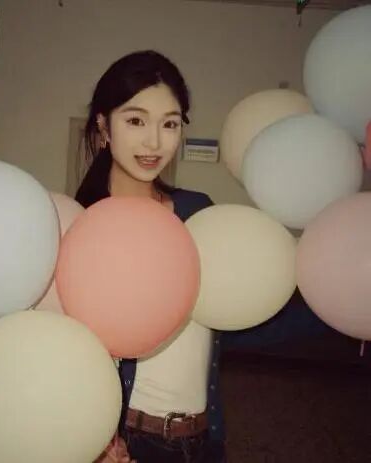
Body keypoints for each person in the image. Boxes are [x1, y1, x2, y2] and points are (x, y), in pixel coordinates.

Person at [76, 50, 328, 463]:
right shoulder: (84, 224)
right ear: (103, 126)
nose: (154, 142)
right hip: (129, 445)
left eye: (170, 123)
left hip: (206, 438)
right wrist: (96, 440)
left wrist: (334, 306)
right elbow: (70, 351)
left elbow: (225, 322)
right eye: (136, 121)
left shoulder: (199, 212)